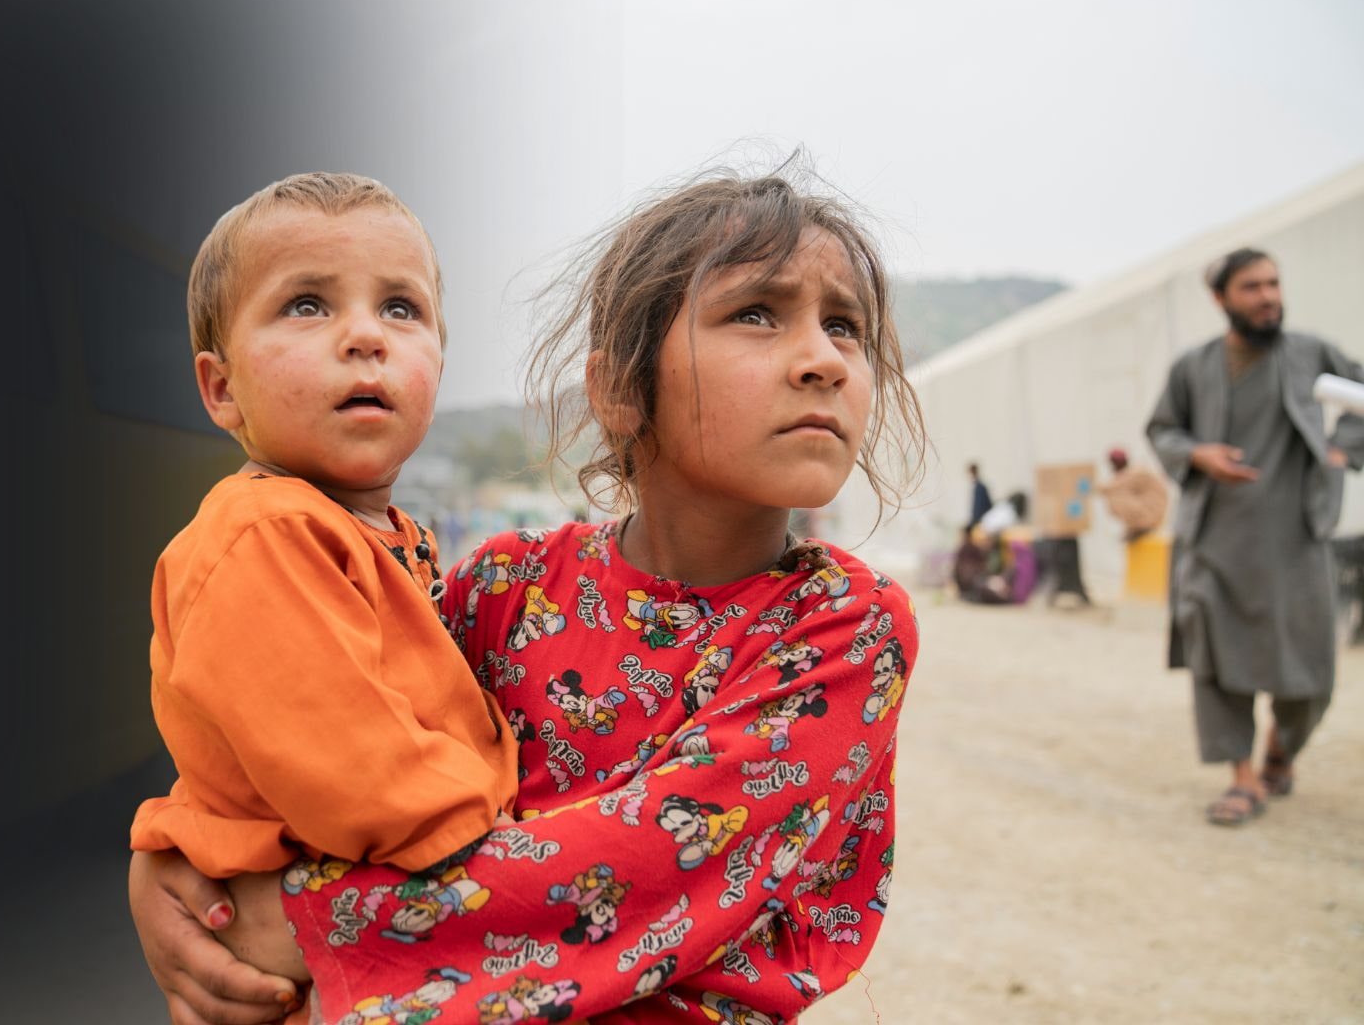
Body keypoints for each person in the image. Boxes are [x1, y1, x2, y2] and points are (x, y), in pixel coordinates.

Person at [129, 166, 927, 1023]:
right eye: (757, 314)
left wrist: (289, 918)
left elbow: (644, 873)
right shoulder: (509, 588)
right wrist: (174, 857)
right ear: (618, 389)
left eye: (845, 326)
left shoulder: (843, 625)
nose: (823, 361)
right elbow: (309, 735)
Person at [128, 172, 519, 983]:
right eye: (307, 304)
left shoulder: (383, 536)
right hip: (349, 965)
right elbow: (368, 781)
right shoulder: (265, 534)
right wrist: (522, 837)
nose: (365, 335)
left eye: (401, 308)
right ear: (222, 388)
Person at [1145, 247, 1364, 826]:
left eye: (1273, 283)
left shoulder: (1311, 352)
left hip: (1297, 543)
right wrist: (1198, 453)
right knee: (1215, 664)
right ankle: (1242, 777)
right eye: (1251, 287)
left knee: (1309, 673)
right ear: (1220, 298)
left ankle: (1279, 750)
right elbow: (1162, 429)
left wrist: (1342, 451)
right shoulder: (1193, 367)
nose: (1268, 296)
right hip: (1213, 545)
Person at [1097, 447, 1168, 543]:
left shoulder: (1136, 472)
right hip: (1151, 511)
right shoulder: (1129, 474)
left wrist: (1093, 485)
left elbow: (1113, 486)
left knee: (1116, 497)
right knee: (1115, 495)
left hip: (1152, 514)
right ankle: (1135, 527)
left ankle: (1139, 527)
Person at [965, 461, 993, 530]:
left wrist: (975, 520)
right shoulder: (978, 486)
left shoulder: (980, 487)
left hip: (981, 521)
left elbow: (979, 507)